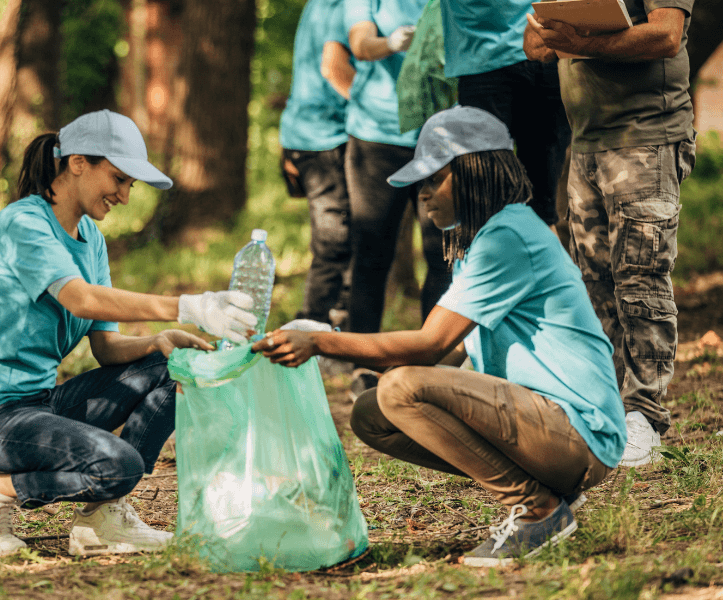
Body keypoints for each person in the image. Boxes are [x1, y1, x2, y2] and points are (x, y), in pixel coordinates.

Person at [252, 106, 625, 566]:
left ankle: (537, 509)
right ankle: (547, 491)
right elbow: (446, 359)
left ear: (473, 171)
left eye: (433, 180)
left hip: (579, 433)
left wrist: (326, 341)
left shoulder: (508, 234)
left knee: (400, 390)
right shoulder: (483, 242)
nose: (423, 195)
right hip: (550, 429)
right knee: (373, 412)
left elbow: (430, 344)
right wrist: (340, 347)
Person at [0, 110, 257, 559]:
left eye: (131, 184)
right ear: (77, 163)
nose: (125, 196)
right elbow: (82, 300)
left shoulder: (90, 238)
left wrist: (158, 341)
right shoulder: (23, 223)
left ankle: (101, 519)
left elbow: (106, 346)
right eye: (119, 178)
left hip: (41, 404)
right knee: (118, 464)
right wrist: (187, 306)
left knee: (175, 366)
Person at [525, 0, 696, 467]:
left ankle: (645, 415)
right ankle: (609, 410)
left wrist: (583, 44)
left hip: (646, 136)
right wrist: (554, 33)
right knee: (594, 282)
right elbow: (535, 46)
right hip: (586, 143)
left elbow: (665, 35)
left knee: (640, 275)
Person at [342, 0, 452, 399]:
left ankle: (431, 362)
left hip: (439, 137)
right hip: (377, 136)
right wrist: (390, 42)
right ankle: (363, 367)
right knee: (372, 253)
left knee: (442, 252)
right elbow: (360, 44)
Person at [438, 0, 571, 229]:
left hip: (544, 56)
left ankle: (538, 260)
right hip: (482, 63)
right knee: (481, 200)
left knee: (542, 203)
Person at [279, 0, 355, 328]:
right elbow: (333, 69)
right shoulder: (341, 6)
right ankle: (311, 330)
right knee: (335, 243)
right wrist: (380, 113)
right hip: (322, 137)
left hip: (309, 134)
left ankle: (336, 331)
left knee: (348, 240)